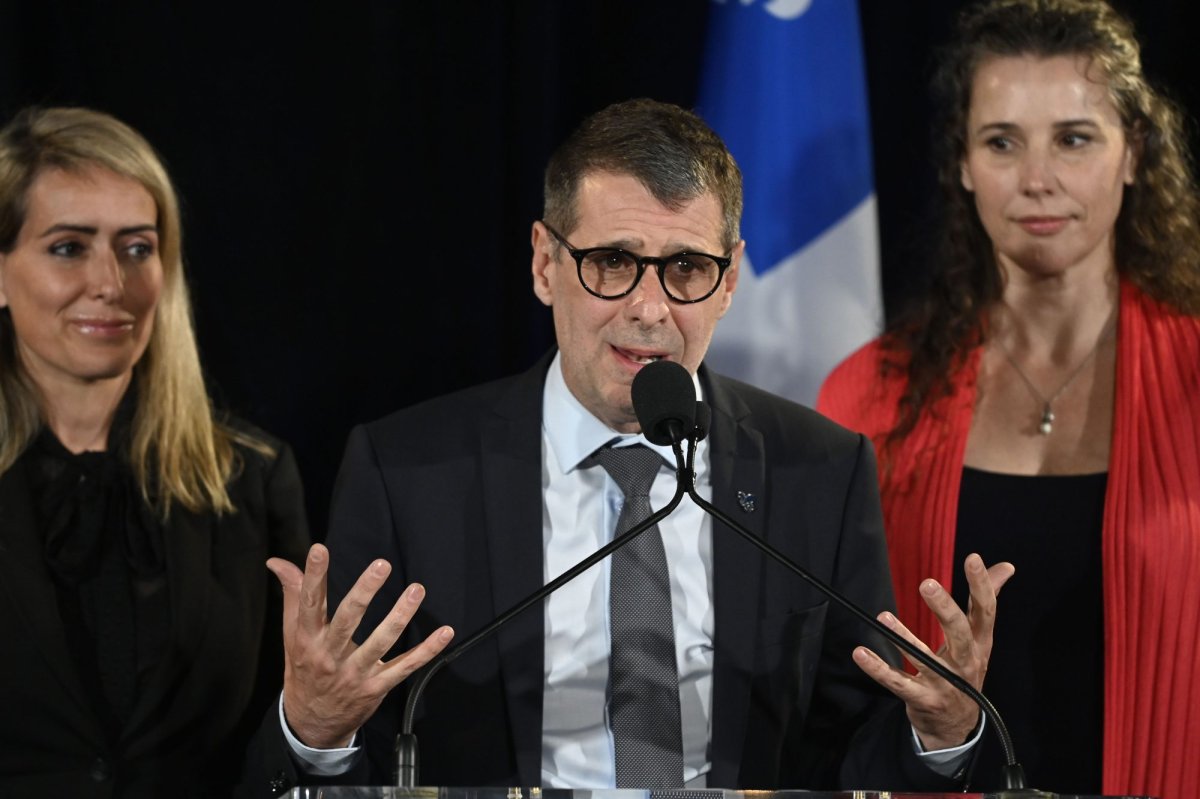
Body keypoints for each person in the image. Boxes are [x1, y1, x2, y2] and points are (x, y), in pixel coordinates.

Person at [261, 98, 1012, 794]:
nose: (650, 308)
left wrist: (938, 733)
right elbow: (363, 752)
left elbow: (846, 759)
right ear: (544, 264)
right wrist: (319, 731)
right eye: (613, 262)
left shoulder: (818, 467)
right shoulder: (406, 471)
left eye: (686, 268)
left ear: (728, 282)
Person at [817, 1, 1200, 797]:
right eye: (1001, 142)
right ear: (961, 162)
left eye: (1074, 138)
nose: (1037, 180)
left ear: (1134, 153)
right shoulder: (866, 395)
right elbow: (834, 697)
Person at [0, 106, 310, 798]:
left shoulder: (252, 480)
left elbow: (281, 747)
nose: (111, 282)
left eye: (138, 248)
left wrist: (315, 726)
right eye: (68, 247)